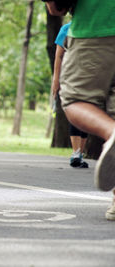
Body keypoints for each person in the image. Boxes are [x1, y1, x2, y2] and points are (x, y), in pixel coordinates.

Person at [44, 0, 115, 220]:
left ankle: (112, 132)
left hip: (95, 29)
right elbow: (58, 51)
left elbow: (57, 7)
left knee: (74, 100)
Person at [52, 22, 88, 168]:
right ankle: (76, 152)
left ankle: (79, 153)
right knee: (75, 111)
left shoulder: (91, 25)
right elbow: (59, 56)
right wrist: (56, 79)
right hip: (70, 76)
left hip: (90, 76)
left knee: (86, 114)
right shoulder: (66, 28)